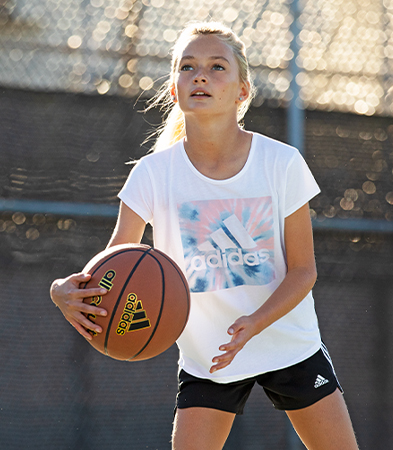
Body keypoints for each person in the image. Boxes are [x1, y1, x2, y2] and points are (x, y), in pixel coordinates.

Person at [50, 21, 359, 450]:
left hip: (288, 345)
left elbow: (304, 272)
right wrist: (63, 290)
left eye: (217, 67)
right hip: (208, 358)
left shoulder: (281, 163)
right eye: (188, 67)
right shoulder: (152, 175)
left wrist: (254, 323)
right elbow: (115, 265)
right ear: (174, 90)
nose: (200, 75)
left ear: (242, 90)